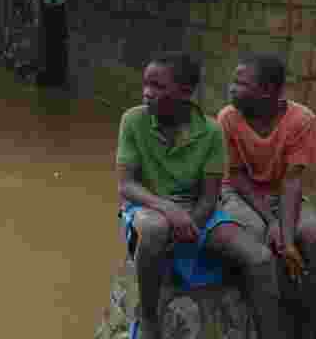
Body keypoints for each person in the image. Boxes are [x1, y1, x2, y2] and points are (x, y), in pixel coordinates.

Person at [116, 52, 281, 339]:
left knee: (261, 259)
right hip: (147, 205)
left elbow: (209, 196)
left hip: (198, 211)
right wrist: (168, 209)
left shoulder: (211, 131)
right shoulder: (133, 120)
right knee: (155, 229)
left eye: (157, 86)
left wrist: (189, 224)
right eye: (146, 84)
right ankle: (149, 318)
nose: (147, 93)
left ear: (185, 92)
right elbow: (127, 186)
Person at [219, 53, 316, 339]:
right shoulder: (228, 118)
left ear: (267, 90)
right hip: (239, 194)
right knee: (257, 237)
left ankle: (309, 329)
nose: (231, 88)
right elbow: (235, 176)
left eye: (241, 83)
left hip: (284, 195)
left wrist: (289, 236)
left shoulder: (301, 120)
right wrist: (273, 221)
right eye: (234, 81)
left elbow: (292, 182)